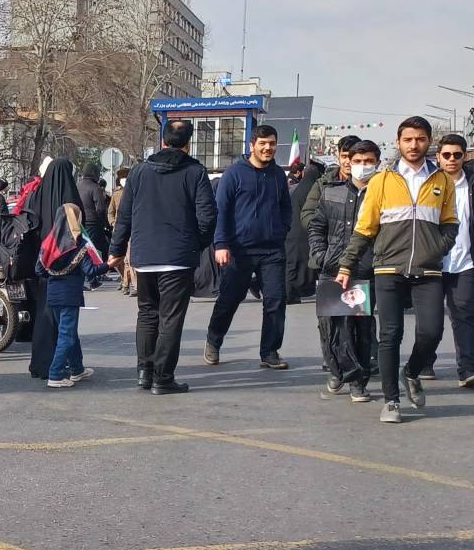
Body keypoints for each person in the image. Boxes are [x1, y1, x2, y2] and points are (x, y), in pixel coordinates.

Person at [337, 116, 456, 424]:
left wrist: (437, 248)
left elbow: (450, 223)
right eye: (408, 139)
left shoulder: (442, 180)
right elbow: (365, 228)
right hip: (388, 268)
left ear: (429, 142)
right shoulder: (381, 181)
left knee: (432, 331)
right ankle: (391, 400)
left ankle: (411, 372)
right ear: (398, 142)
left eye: (420, 139)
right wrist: (347, 265)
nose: (414, 145)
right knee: (390, 334)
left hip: (428, 270)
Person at [106, 120, 215, 395]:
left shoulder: (139, 172)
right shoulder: (195, 172)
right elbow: (207, 217)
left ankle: (145, 372)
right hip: (179, 257)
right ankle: (163, 378)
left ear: (162, 141)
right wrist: (195, 245)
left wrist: (116, 250)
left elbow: (124, 216)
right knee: (170, 319)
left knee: (147, 314)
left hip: (145, 256)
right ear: (188, 143)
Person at [205, 124, 293, 369]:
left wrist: (282, 229)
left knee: (275, 301)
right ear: (252, 145)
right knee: (229, 299)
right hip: (238, 250)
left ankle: (270, 352)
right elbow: (221, 211)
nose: (268, 148)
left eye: (272, 144)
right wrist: (221, 244)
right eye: (263, 144)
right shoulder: (233, 174)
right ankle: (213, 340)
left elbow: (286, 207)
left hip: (272, 250)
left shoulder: (278, 175)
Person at [310, 140, 380, 401]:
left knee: (360, 328)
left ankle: (357, 380)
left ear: (377, 163)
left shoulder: (381, 194)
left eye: (368, 161)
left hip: (364, 271)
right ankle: (338, 369)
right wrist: (321, 255)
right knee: (331, 327)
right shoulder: (332, 193)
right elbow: (316, 227)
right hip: (332, 269)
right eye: (357, 160)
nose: (362, 166)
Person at [432, 134, 474, 389]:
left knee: (465, 315)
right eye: (446, 155)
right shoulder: (428, 184)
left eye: (457, 155)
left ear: (465, 156)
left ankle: (468, 368)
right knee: (431, 320)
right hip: (432, 263)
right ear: (438, 157)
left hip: (466, 263)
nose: (451, 159)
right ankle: (424, 363)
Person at [35, 158, 97, 387]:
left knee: (53, 323)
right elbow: (82, 230)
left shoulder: (38, 193)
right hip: (69, 274)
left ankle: (68, 366)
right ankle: (57, 372)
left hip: (46, 264)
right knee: (67, 329)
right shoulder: (71, 202)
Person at [283, 149, 328, 303]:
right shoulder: (311, 190)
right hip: (301, 234)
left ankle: (291, 294)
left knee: (293, 265)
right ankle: (290, 294)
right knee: (295, 266)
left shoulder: (298, 188)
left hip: (292, 232)